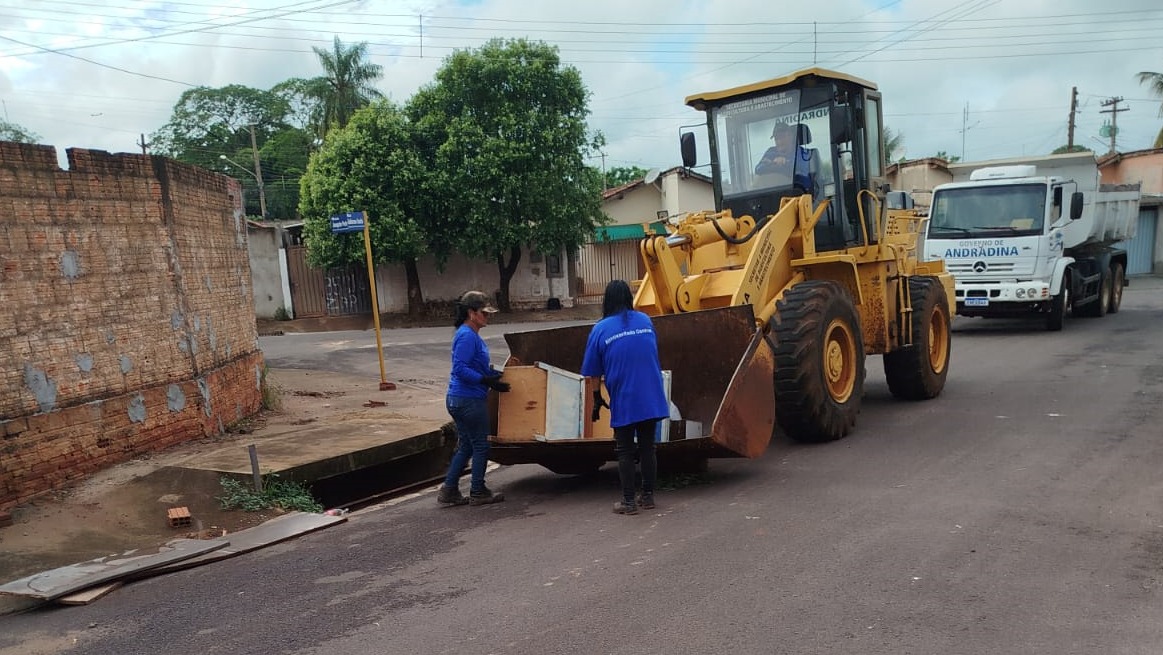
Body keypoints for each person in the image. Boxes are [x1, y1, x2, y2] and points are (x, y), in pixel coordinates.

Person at [581, 280, 670, 515]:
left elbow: (592, 372)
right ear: (629, 299)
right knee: (648, 447)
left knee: (625, 450)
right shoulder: (645, 320)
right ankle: (648, 497)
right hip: (651, 393)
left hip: (625, 396)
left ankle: (628, 502)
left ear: (607, 301)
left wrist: (596, 397)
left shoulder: (600, 329)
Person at [438, 290, 510, 507]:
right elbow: (460, 368)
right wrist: (485, 381)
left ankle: (449, 490)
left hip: (459, 398)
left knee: (467, 445)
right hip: (468, 399)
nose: (487, 317)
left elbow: (471, 366)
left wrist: (492, 375)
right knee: (481, 445)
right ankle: (478, 490)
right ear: (471, 313)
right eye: (484, 314)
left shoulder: (468, 334)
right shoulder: (467, 336)